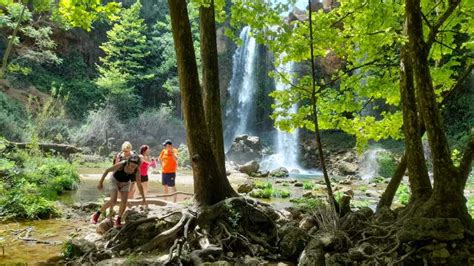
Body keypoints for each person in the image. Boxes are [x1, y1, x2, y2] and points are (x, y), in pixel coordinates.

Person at [90, 154, 147, 227]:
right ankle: (96, 215)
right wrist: (100, 182)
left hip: (126, 183)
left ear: (137, 165)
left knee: (124, 201)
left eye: (134, 166)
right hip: (114, 180)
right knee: (113, 200)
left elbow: (139, 185)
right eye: (131, 166)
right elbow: (107, 170)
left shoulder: (137, 170)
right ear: (128, 162)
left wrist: (143, 198)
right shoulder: (122, 164)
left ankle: (118, 219)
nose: (132, 168)